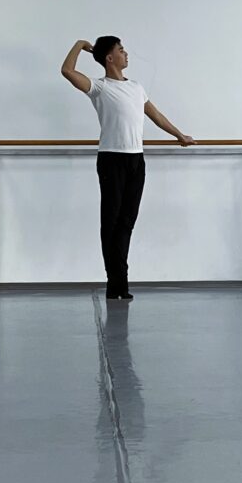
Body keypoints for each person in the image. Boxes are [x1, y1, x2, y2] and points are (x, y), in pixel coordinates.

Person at [61, 36, 195, 300]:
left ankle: (119, 281)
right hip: (111, 160)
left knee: (126, 223)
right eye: (121, 50)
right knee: (110, 223)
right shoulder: (99, 87)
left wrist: (179, 135)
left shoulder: (136, 87)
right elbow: (67, 71)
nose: (126, 54)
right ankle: (116, 284)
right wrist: (80, 45)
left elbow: (156, 115)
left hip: (136, 160)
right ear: (110, 58)